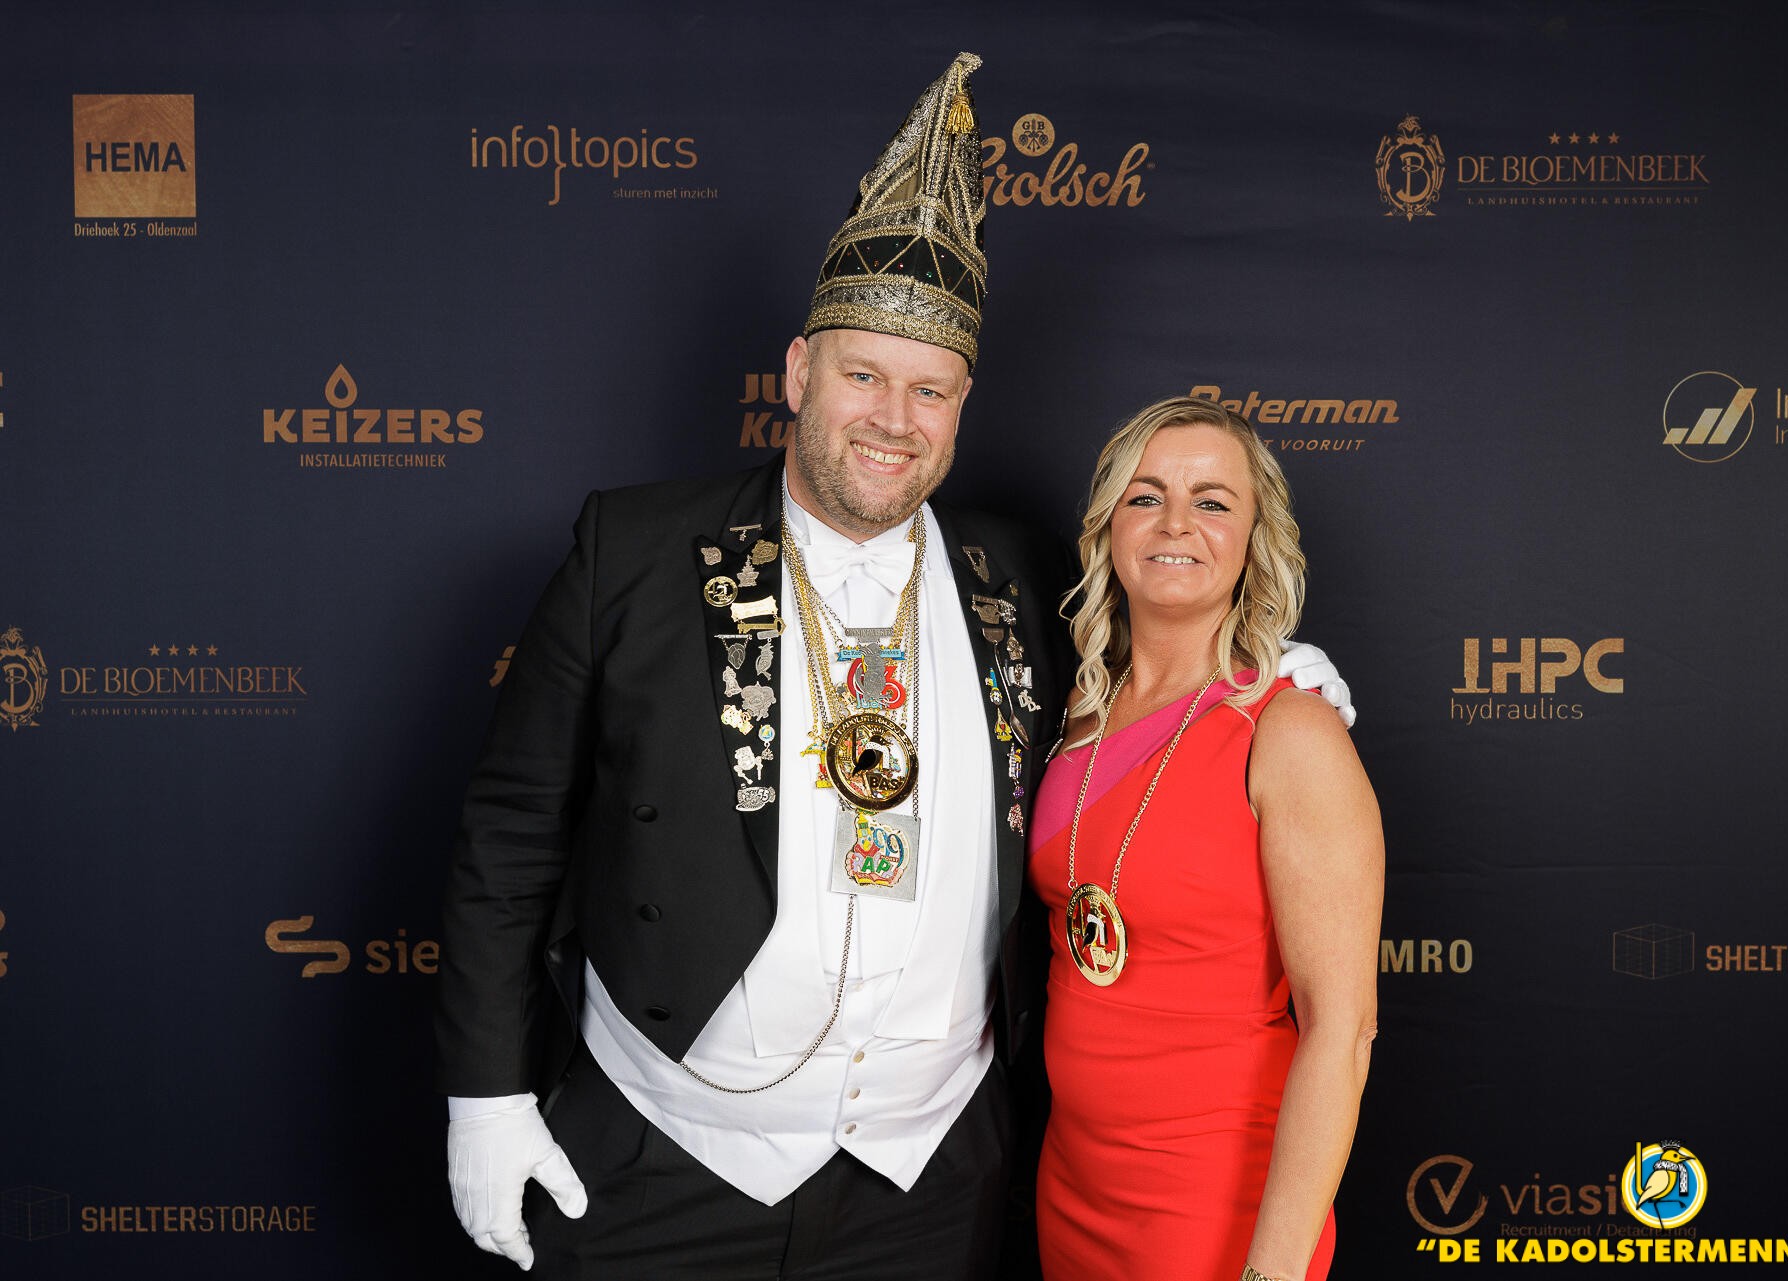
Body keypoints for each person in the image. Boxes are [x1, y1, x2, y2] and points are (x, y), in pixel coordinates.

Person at [436, 57, 1354, 1281]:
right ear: (798, 372)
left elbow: (1154, 664)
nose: (892, 418)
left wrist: (1272, 665)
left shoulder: (1019, 576)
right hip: (664, 1157)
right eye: (862, 375)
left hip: (931, 1185)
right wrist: (485, 1095)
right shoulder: (634, 552)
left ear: (961, 407)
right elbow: (510, 834)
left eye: (930, 390)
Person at [1029, 397, 1382, 1281]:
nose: (1176, 523)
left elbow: (1343, 1030)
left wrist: (1269, 1273)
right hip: (1071, 1188)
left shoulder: (1291, 730)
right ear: (1111, 524)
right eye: (1146, 496)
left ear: (1254, 539)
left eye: (1213, 501)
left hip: (1214, 1203)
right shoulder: (1073, 709)